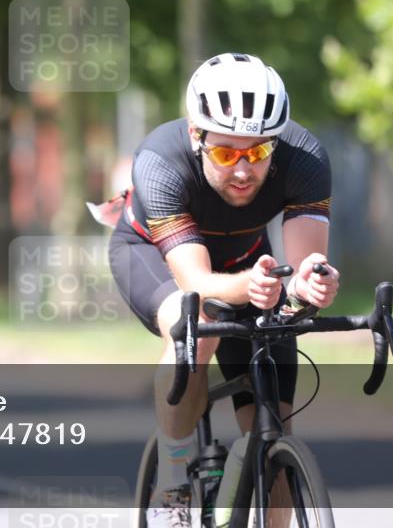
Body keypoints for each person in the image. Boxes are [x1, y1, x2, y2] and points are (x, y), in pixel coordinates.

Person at [106, 53, 340, 527]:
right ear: (197, 136)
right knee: (196, 325)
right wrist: (251, 285)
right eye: (226, 153)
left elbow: (304, 262)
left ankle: (264, 469)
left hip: (246, 260)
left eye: (256, 153)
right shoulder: (159, 162)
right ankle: (172, 488)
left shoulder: (305, 158)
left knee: (272, 424)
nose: (242, 169)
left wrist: (311, 282)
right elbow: (196, 282)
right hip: (155, 256)